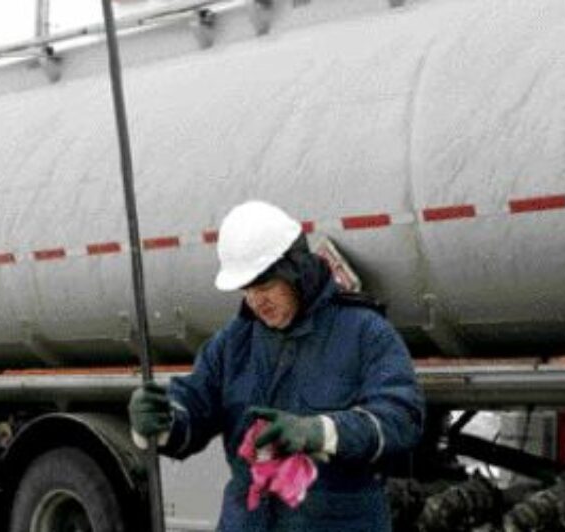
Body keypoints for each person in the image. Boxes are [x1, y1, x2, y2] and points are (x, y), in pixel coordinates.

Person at [128, 200, 425, 531]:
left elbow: (402, 418)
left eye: (266, 286)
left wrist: (320, 432)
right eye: (247, 289)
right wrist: (160, 421)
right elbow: (193, 408)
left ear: (296, 270)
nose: (256, 301)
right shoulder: (232, 344)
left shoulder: (364, 333)